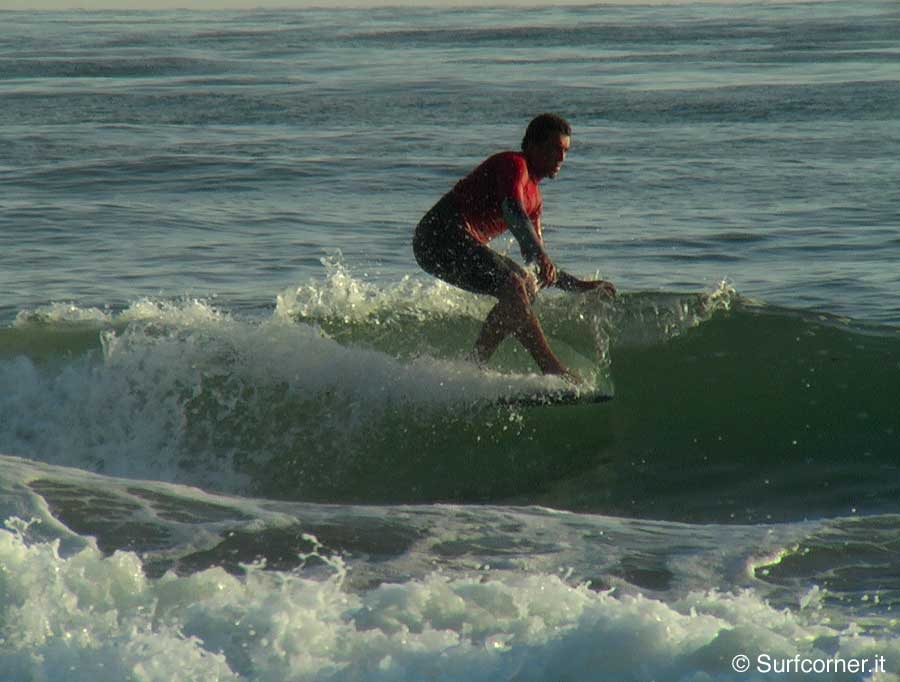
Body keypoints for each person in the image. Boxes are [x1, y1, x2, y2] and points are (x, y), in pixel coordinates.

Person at [413, 113, 616, 379]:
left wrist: (578, 286)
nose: (561, 158)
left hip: (458, 244)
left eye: (565, 151)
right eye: (555, 149)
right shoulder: (514, 164)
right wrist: (540, 255)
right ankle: (551, 369)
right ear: (532, 145)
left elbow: (537, 263)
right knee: (514, 285)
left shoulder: (535, 200)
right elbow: (512, 210)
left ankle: (475, 364)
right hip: (437, 236)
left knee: (525, 285)